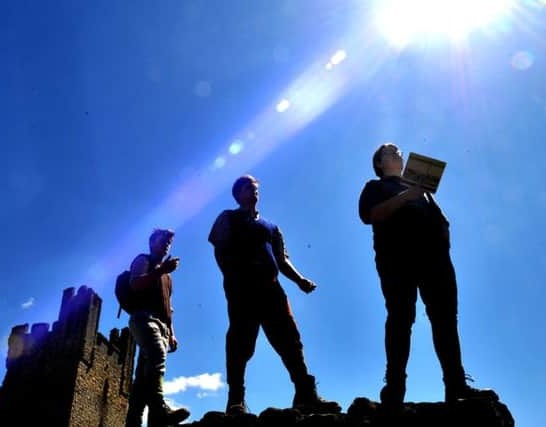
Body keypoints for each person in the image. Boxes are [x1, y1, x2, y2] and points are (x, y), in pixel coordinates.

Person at [358, 143, 498, 407]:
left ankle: (456, 385)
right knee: (401, 317)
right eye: (390, 152)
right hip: (397, 259)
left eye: (398, 150)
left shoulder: (424, 193)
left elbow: (442, 221)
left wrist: (443, 237)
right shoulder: (375, 187)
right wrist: (407, 196)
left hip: (435, 260)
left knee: (445, 318)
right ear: (378, 163)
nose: (397, 153)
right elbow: (371, 215)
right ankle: (395, 387)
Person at [209, 175, 341, 415]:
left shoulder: (271, 227)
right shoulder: (227, 217)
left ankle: (305, 394)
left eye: (256, 187)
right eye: (249, 188)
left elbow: (282, 259)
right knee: (240, 342)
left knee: (290, 339)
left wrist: (300, 279)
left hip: (272, 290)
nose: (254, 191)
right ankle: (235, 401)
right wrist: (232, 276)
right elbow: (219, 250)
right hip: (241, 290)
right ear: (238, 194)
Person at [125, 229, 190, 427]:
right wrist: (161, 270)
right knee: (156, 357)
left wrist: (172, 334)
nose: (167, 245)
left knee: (143, 379)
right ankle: (159, 408)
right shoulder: (143, 260)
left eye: (170, 242)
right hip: (143, 319)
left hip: (162, 327)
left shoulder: (168, 279)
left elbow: (167, 307)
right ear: (152, 242)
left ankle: (133, 420)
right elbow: (135, 284)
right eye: (164, 240)